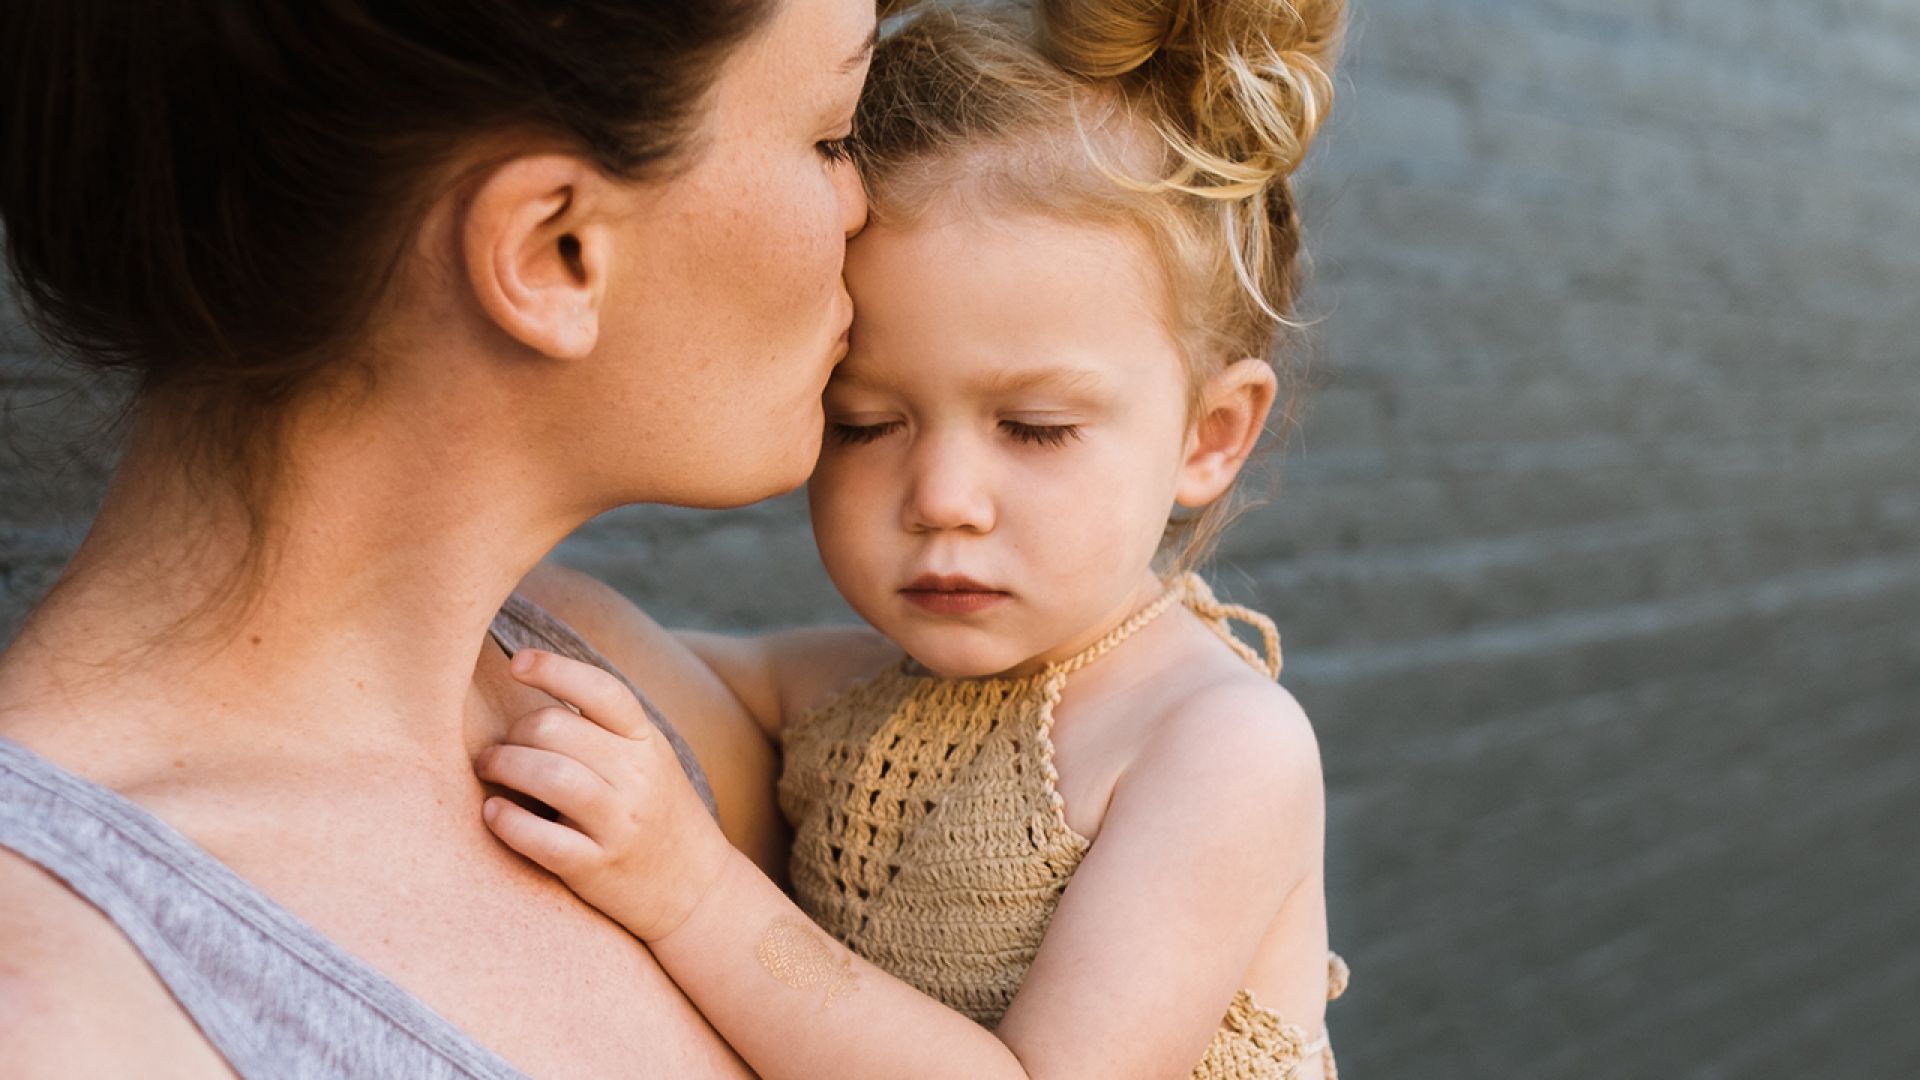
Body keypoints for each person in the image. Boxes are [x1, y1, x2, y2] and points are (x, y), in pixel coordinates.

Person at [474, 1, 1350, 1077]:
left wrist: (693, 891)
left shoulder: (1215, 746)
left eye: (1033, 429)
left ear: (1208, 437)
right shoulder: (847, 696)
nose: (942, 497)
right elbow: (600, 642)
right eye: (866, 423)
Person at [0, 0, 876, 1075]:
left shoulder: (597, 681)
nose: (863, 204)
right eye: (831, 137)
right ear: (554, 249)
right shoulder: (60, 1005)